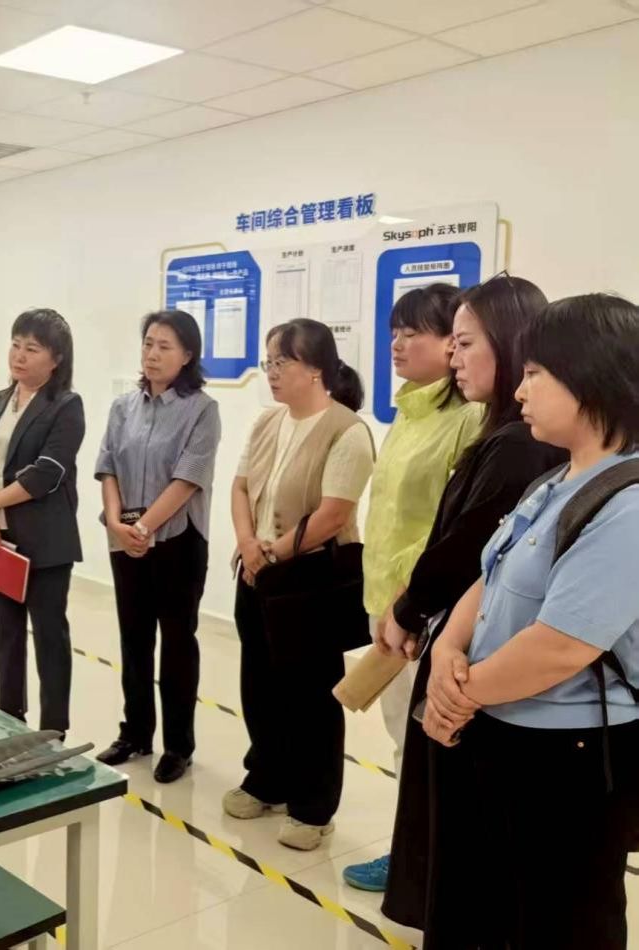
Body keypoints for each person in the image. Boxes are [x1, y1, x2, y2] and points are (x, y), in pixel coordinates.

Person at [414, 294, 639, 948]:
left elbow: (561, 647)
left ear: (592, 378)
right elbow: (490, 575)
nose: (520, 390)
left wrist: (454, 696)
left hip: (568, 755)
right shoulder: (554, 482)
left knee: (562, 918)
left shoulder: (627, 503)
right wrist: (447, 652)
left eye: (536, 373)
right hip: (501, 727)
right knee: (495, 907)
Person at [381, 274, 566, 926]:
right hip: (451, 633)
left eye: (464, 343)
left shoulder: (520, 445)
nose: (453, 357)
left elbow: (470, 549)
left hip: (479, 655)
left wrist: (412, 609)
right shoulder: (499, 434)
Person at [341, 285, 483, 892]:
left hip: (424, 610)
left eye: (413, 333)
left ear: (452, 342)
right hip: (388, 604)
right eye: (394, 333)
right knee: (404, 738)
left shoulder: (469, 418)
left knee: (428, 745)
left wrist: (408, 603)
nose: (397, 344)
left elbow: (451, 530)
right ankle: (414, 856)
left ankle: (423, 866)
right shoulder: (408, 411)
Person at [225, 318, 373, 850]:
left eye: (282, 362)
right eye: (268, 362)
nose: (272, 372)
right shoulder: (268, 421)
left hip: (308, 580)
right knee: (259, 685)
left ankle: (313, 807)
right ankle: (267, 778)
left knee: (310, 696)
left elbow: (334, 515)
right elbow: (240, 487)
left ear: (315, 369)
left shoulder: (347, 430)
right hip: (255, 573)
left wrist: (271, 553)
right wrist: (248, 544)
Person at [94, 310, 220, 785]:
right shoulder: (123, 406)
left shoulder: (202, 410)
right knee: (134, 639)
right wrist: (115, 523)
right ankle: (135, 733)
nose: (152, 354)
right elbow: (108, 467)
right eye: (148, 343)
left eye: (165, 346)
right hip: (125, 540)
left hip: (177, 542)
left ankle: (179, 745)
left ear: (187, 355)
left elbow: (188, 479)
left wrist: (143, 527)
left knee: (178, 643)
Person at [0, 309, 83, 736]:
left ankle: (54, 731)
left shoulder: (65, 405)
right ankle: (10, 721)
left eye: (32, 348)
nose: (19, 355)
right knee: (6, 635)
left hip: (45, 542)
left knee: (49, 637)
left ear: (56, 359)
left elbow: (47, 472)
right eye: (16, 345)